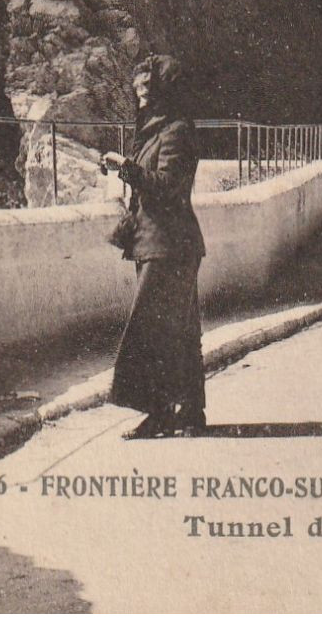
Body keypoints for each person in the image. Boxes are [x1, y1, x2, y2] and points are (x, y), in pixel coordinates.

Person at [99, 54, 208, 438]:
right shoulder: (157, 129)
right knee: (178, 330)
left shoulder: (176, 130)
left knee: (149, 332)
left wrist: (127, 168)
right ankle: (190, 414)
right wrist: (124, 167)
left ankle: (162, 412)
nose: (140, 96)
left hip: (169, 246)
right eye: (138, 90)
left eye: (147, 89)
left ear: (164, 90)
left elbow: (168, 187)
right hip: (160, 243)